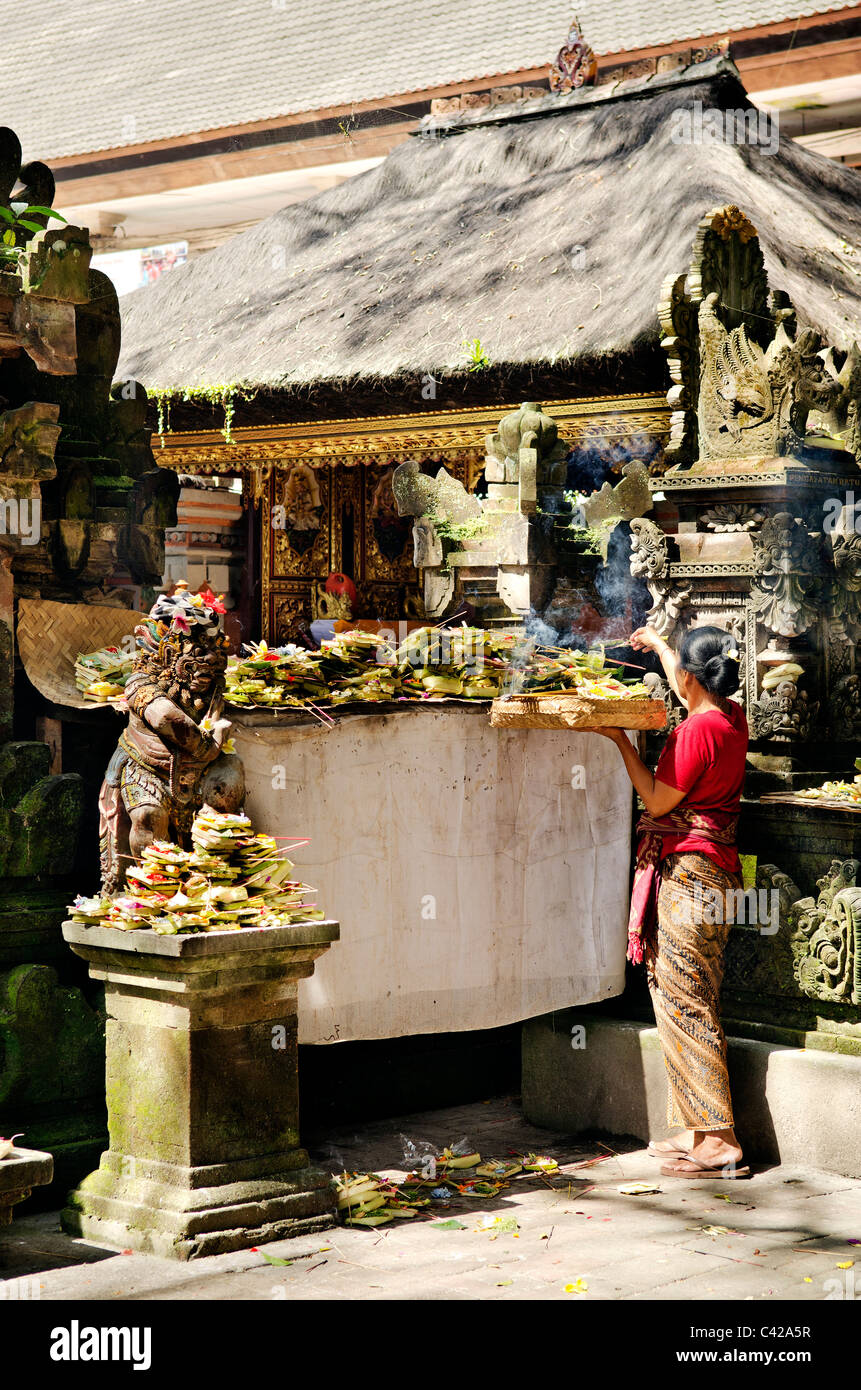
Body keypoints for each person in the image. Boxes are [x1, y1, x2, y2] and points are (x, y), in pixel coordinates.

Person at [585, 624, 750, 1178]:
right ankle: (697, 1126)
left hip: (689, 879)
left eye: (677, 668)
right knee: (683, 993)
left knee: (687, 1001)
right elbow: (690, 691)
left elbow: (657, 802)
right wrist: (659, 647)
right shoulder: (731, 718)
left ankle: (720, 1140)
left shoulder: (691, 735)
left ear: (688, 677)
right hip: (716, 875)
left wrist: (622, 744)